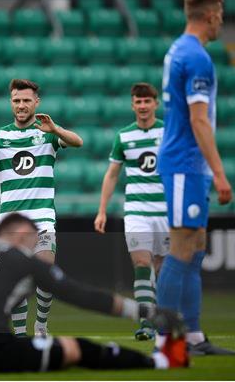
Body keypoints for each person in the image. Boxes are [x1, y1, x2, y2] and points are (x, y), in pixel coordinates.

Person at [0, 213, 188, 373]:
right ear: (23, 234)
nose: (35, 245)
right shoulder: (23, 261)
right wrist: (145, 312)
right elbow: (81, 295)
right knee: (77, 348)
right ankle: (159, 363)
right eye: (35, 239)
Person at [0, 78, 83, 337]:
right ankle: (20, 334)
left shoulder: (48, 133)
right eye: (16, 100)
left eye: (26, 100)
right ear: (10, 102)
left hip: (42, 217)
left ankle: (41, 325)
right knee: (17, 279)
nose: (21, 105)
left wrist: (56, 129)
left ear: (36, 102)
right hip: (11, 222)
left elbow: (78, 141)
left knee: (46, 272)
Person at [157, 0, 235, 356]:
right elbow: (199, 119)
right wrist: (219, 173)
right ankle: (165, 339)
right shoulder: (197, 57)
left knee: (196, 248)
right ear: (209, 16)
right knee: (182, 246)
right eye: (220, 15)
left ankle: (192, 336)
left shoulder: (178, 49)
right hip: (186, 165)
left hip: (188, 166)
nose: (222, 21)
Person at [94, 82, 169, 342]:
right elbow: (112, 174)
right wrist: (102, 210)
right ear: (132, 105)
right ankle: (146, 321)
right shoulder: (124, 136)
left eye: (147, 101)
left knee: (162, 269)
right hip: (136, 209)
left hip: (166, 210)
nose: (143, 106)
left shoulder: (168, 131)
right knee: (141, 264)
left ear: (155, 104)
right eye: (138, 102)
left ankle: (163, 317)